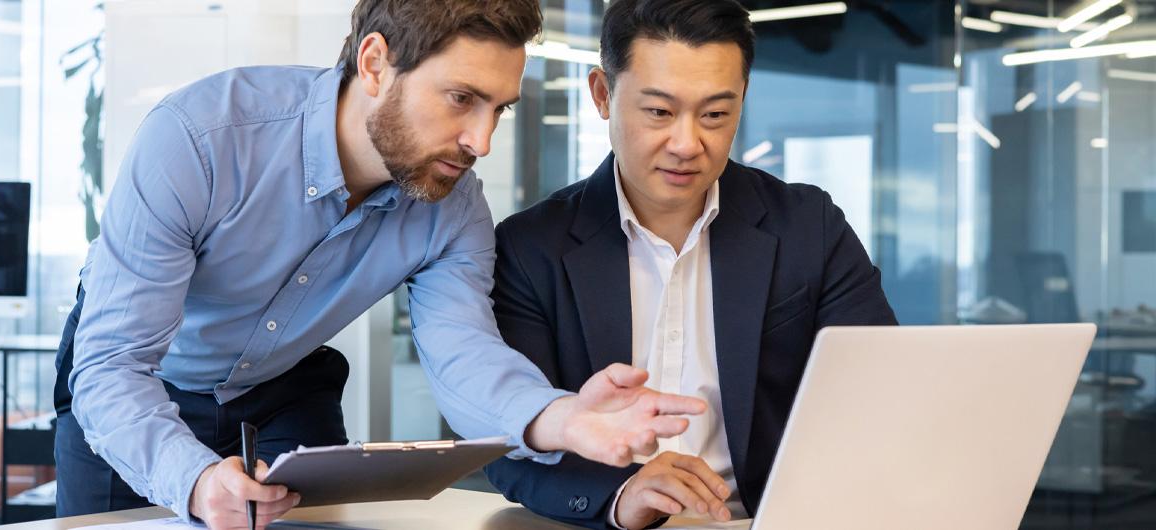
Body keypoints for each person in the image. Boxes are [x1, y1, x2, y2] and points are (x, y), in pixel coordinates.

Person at [53, 1, 707, 528]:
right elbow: (112, 363)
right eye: (461, 99)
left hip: (281, 392)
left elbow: (465, 355)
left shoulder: (453, 206)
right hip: (136, 384)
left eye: (498, 109)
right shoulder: (201, 140)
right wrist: (193, 482)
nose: (481, 141)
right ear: (375, 64)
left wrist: (563, 418)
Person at [482, 1, 898, 528]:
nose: (687, 144)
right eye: (659, 112)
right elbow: (504, 444)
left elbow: (879, 393)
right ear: (603, 95)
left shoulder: (807, 227)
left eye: (715, 115)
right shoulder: (529, 248)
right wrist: (621, 495)